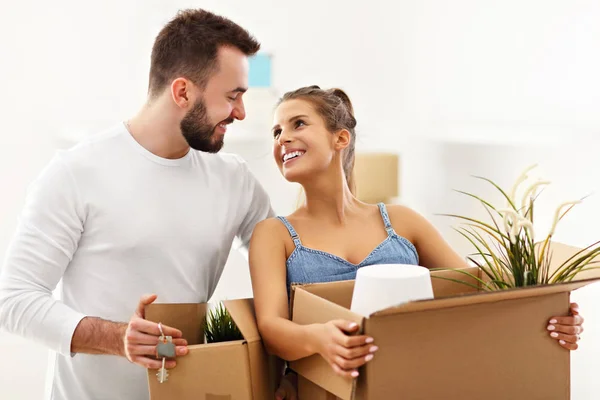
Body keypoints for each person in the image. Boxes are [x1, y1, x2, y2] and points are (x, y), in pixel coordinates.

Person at [0, 9, 296, 400]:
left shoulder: (234, 180)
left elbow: (289, 269)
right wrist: (118, 337)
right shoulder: (76, 172)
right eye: (232, 96)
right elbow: (14, 300)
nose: (240, 112)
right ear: (182, 92)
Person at [248, 85, 585, 379]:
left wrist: (546, 316)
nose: (283, 138)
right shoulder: (273, 235)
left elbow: (476, 290)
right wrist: (319, 338)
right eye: (276, 132)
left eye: (298, 124)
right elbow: (272, 328)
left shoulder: (401, 221)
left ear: (340, 138)